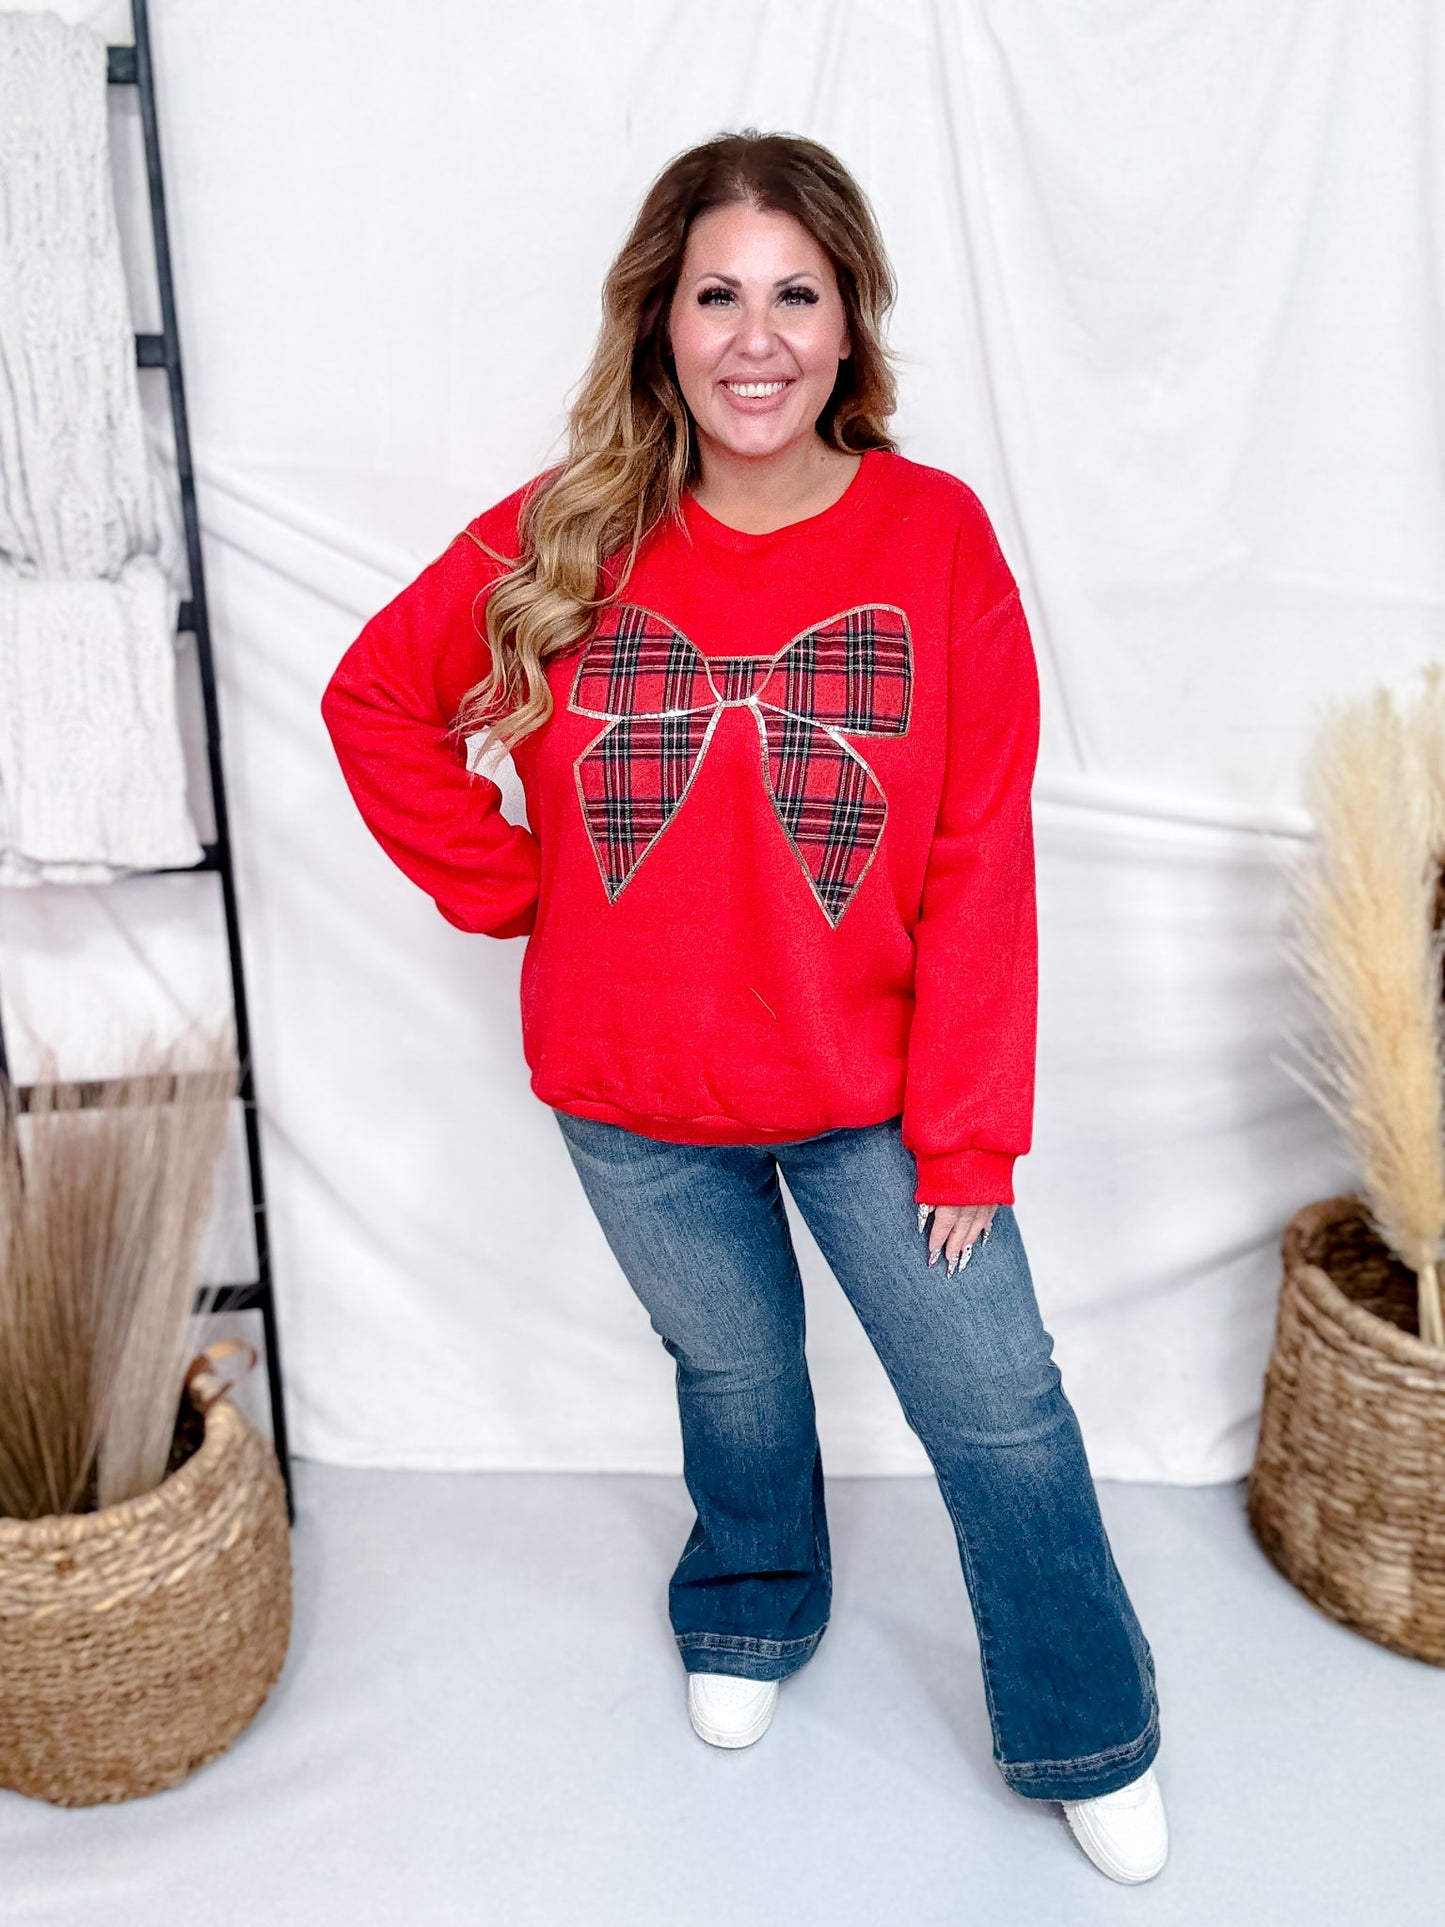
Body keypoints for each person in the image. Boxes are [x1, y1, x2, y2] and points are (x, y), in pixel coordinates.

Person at [320, 129, 1167, 1886]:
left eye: (797, 293)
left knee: (996, 1401)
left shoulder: (933, 539)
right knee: (731, 1371)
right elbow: (376, 703)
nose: (756, 335)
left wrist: (967, 1137)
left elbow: (975, 862)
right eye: (718, 294)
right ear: (661, 322)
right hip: (630, 1099)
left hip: (876, 1096)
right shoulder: (567, 531)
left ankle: (1084, 1718)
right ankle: (753, 1601)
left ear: (850, 326)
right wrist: (515, 891)